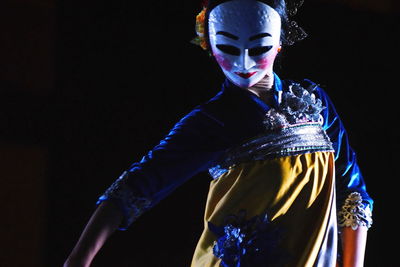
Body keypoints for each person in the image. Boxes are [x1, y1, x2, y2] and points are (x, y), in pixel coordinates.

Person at [64, 0, 373, 266]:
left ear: (279, 43)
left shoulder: (315, 102)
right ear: (209, 46)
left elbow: (353, 192)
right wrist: (79, 257)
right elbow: (137, 185)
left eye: (259, 47)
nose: (244, 63)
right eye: (227, 47)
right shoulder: (211, 121)